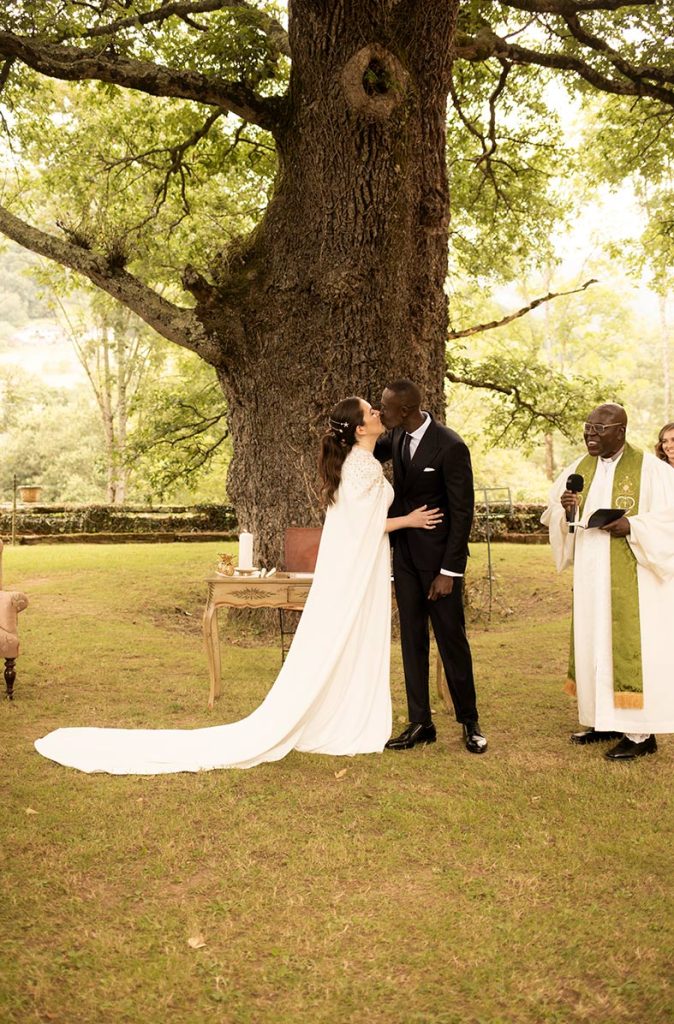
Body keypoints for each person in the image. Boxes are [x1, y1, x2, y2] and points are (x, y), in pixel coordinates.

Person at [35, 397, 442, 775]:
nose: (377, 416)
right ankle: (341, 715)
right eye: (371, 413)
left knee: (347, 639)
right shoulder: (361, 465)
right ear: (358, 429)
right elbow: (361, 526)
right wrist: (409, 521)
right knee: (347, 636)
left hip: (358, 566)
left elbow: (356, 522)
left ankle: (342, 706)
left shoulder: (361, 462)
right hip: (357, 568)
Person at [542, 403, 674, 760]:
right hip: (591, 576)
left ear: (621, 431)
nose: (590, 436)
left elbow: (669, 520)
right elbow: (553, 513)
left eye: (599, 430)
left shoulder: (652, 471)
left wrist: (632, 525)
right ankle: (604, 720)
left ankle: (640, 735)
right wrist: (567, 510)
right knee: (594, 643)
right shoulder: (578, 468)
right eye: (587, 429)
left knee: (624, 646)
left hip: (635, 579)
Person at [374, 379, 487, 754]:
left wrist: (449, 572)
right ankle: (420, 722)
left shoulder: (450, 446)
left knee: (452, 642)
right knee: (411, 640)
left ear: (404, 410)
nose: (381, 411)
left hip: (439, 565)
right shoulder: (395, 439)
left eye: (385, 407)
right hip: (404, 559)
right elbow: (362, 452)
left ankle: (469, 722)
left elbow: (462, 511)